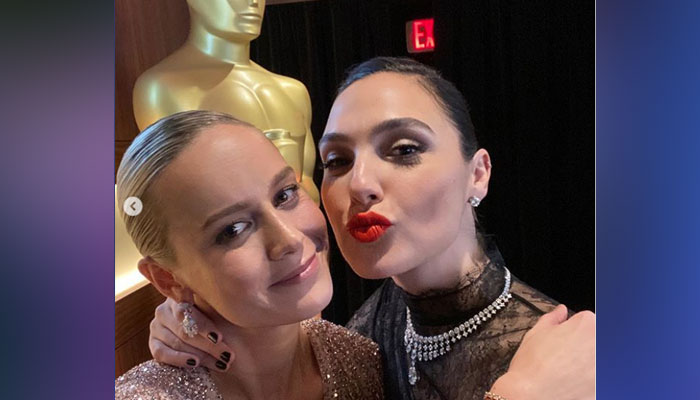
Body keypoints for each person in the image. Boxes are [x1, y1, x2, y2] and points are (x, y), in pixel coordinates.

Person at [146, 58, 595, 400]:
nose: (359, 184)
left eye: (403, 149)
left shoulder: (570, 362)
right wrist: (194, 310)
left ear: (477, 174)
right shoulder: (361, 337)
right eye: (338, 161)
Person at [114, 111, 383, 399]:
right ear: (168, 280)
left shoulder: (364, 362)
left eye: (285, 194)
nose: (290, 239)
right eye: (233, 229)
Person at [133, 0, 319, 202]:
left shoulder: (293, 91)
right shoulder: (162, 89)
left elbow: (309, 192)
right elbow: (186, 200)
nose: (253, 2)